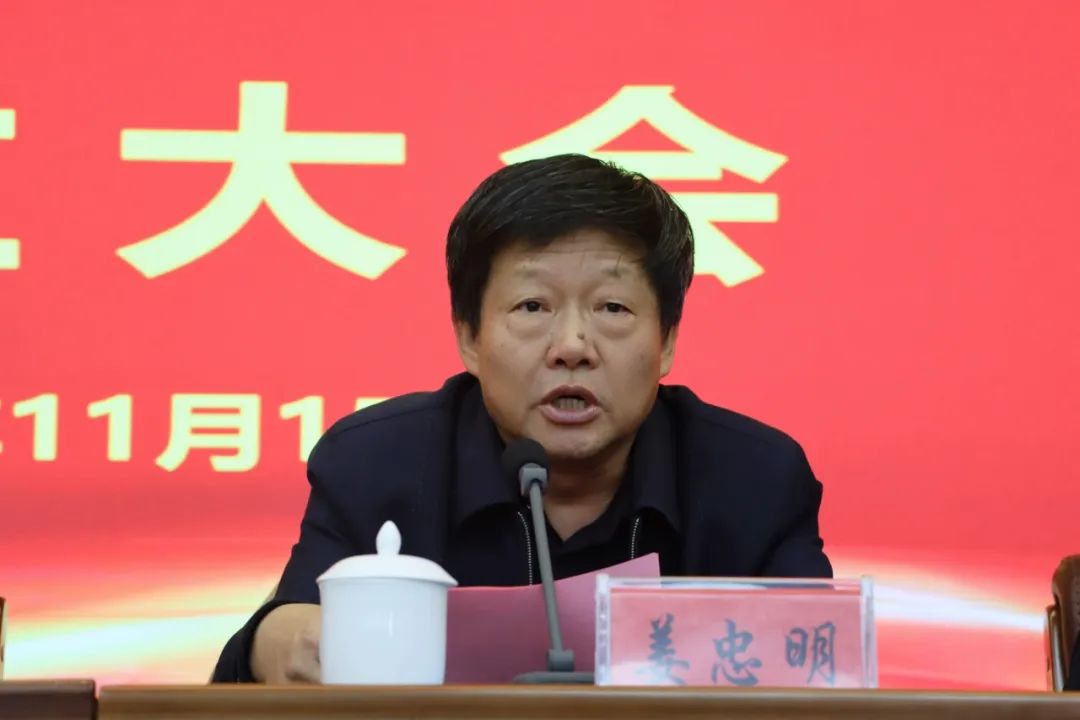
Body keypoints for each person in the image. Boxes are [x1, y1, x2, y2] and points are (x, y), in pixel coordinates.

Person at [211, 153, 832, 683]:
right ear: (469, 336)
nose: (573, 345)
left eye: (612, 308)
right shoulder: (377, 466)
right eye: (533, 306)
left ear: (666, 340)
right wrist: (274, 640)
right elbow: (275, 652)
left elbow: (823, 683)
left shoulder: (756, 481)